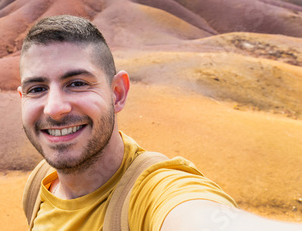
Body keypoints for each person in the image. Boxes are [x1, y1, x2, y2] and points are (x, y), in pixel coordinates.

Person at [18, 15, 301, 230]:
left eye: (77, 83)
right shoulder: (41, 183)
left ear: (117, 93)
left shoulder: (152, 194)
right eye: (36, 89)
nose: (54, 108)